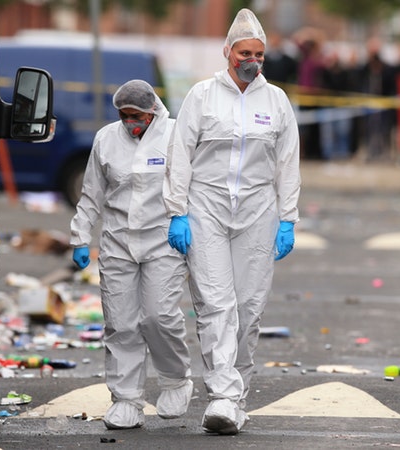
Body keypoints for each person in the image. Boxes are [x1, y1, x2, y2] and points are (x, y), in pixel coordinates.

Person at [163, 8, 301, 435]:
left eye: (259, 54)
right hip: (206, 207)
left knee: (249, 307)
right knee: (215, 304)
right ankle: (222, 395)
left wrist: (288, 217)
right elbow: (180, 155)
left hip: (258, 212)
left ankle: (237, 397)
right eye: (245, 53)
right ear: (227, 52)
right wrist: (177, 211)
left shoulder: (275, 101)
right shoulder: (202, 96)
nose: (252, 61)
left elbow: (288, 163)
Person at [69, 80, 193, 430]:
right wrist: (80, 237)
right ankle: (126, 399)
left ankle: (175, 380)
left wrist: (186, 220)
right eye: (123, 115)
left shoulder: (175, 135)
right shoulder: (106, 139)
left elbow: (192, 184)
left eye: (136, 115)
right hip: (118, 241)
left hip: (163, 238)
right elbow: (92, 193)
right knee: (120, 323)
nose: (129, 122)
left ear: (152, 110)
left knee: (159, 316)